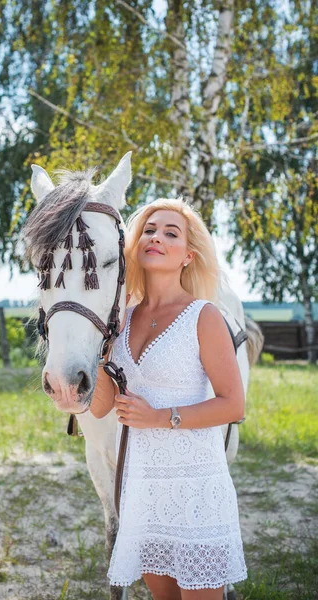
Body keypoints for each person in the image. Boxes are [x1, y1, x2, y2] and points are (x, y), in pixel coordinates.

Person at [90, 198, 247, 600]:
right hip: (143, 490)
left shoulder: (204, 316)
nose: (156, 237)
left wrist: (160, 417)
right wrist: (88, 371)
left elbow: (233, 405)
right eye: (149, 230)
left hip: (196, 489)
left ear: (188, 256)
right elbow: (102, 405)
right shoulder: (121, 319)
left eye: (170, 233)